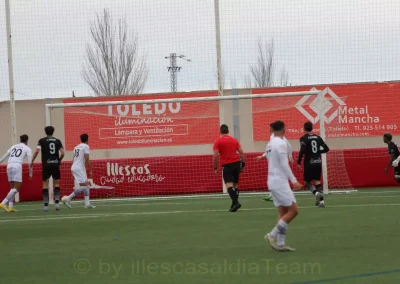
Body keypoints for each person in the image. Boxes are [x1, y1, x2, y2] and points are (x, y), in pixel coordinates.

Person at [264, 121, 302, 252]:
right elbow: (284, 164)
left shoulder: (271, 142)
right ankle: (272, 235)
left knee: (283, 212)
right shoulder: (281, 143)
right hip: (279, 181)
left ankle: (280, 244)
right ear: (284, 129)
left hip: (272, 180)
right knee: (294, 210)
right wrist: (294, 180)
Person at [31, 126, 65, 211]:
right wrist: (58, 161)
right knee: (56, 184)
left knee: (45, 185)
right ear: (53, 132)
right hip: (55, 164)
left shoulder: (41, 140)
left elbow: (37, 151)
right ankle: (57, 204)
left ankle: (46, 206)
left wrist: (32, 161)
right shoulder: (58, 141)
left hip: (46, 165)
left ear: (45, 132)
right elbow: (63, 153)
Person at [257, 123, 293, 201]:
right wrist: (262, 156)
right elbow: (269, 149)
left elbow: (288, 146)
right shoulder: (272, 137)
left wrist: (290, 156)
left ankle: (278, 194)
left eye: (270, 128)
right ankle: (274, 194)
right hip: (270, 156)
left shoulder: (279, 137)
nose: (269, 129)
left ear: (273, 129)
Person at [213, 124, 245, 212]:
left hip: (227, 165)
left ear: (220, 131)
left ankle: (236, 202)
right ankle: (234, 204)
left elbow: (215, 156)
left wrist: (215, 167)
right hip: (236, 164)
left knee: (229, 186)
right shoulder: (234, 140)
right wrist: (242, 164)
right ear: (228, 131)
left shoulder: (218, 141)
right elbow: (241, 152)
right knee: (235, 185)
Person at [297, 121, 329, 207]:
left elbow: (302, 151)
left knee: (307, 183)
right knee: (317, 182)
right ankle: (322, 202)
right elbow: (326, 149)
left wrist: (298, 162)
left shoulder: (303, 138)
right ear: (312, 128)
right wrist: (319, 151)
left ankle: (316, 194)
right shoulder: (318, 137)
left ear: (304, 128)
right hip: (318, 162)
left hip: (309, 163)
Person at [62, 134, 95, 209]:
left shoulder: (76, 147)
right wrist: (90, 170)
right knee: (85, 186)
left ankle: (87, 204)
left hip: (74, 167)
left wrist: (72, 170)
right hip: (79, 168)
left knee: (86, 186)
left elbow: (73, 160)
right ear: (87, 139)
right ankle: (68, 198)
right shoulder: (86, 146)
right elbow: (87, 159)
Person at [0, 135, 32, 212]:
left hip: (9, 166)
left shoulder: (13, 146)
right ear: (27, 141)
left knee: (12, 188)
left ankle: (10, 207)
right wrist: (30, 173)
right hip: (17, 166)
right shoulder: (27, 148)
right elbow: (30, 162)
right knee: (16, 188)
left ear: (20, 140)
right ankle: (3, 203)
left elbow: (4, 156)